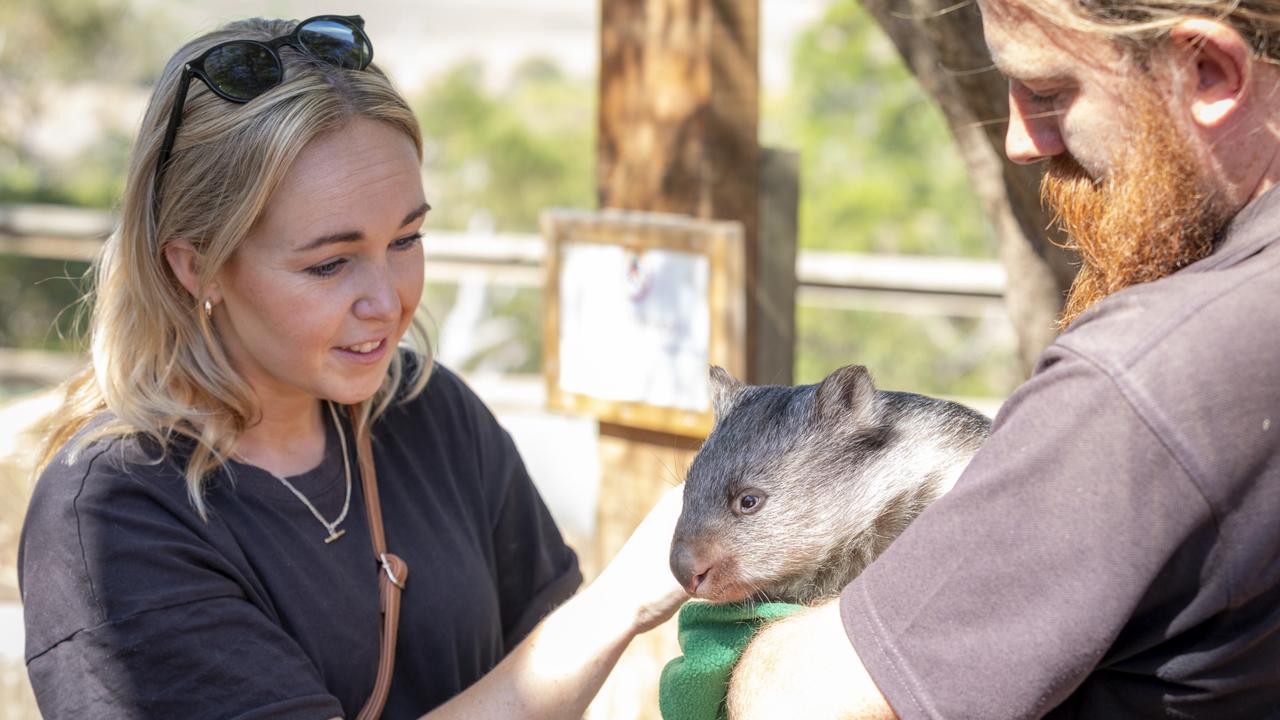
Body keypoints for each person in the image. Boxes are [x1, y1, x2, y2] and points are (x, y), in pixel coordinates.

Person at [19, 15, 686, 719]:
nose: (388, 301)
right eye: (330, 263)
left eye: (406, 239)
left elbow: (546, 663)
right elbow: (560, 651)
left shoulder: (429, 410)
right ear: (196, 265)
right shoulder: (116, 516)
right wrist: (620, 602)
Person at [726, 0, 1280, 717]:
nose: (1020, 138)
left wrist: (753, 649)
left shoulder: (1149, 375)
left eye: (1051, 92)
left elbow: (806, 704)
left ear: (1208, 72)